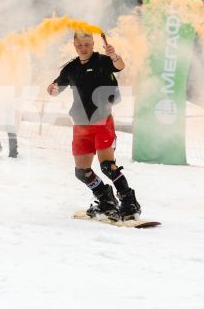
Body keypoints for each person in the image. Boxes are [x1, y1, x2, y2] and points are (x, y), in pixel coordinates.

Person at [46, 30, 142, 220]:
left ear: (93, 45)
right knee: (82, 172)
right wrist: (52, 89)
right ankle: (105, 199)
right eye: (79, 45)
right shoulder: (71, 68)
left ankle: (129, 202)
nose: (83, 48)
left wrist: (114, 55)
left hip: (102, 120)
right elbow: (56, 88)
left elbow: (120, 66)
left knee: (107, 165)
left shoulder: (102, 61)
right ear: (74, 45)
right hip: (80, 124)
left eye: (87, 45)